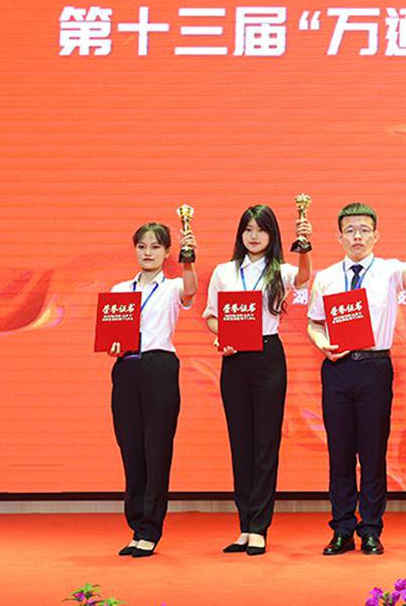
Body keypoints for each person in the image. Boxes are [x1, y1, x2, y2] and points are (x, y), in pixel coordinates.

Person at [306, 201, 406, 557]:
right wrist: (322, 344)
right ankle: (342, 528)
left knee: (373, 453)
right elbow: (315, 323)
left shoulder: (389, 270)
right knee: (340, 453)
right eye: (350, 230)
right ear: (339, 237)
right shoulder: (327, 277)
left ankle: (371, 529)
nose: (357, 236)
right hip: (338, 368)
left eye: (364, 230)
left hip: (374, 367)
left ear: (376, 235)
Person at [203, 204, 311, 556]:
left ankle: (260, 527)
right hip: (234, 359)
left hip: (268, 356)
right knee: (241, 444)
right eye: (248, 229)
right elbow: (211, 316)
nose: (253, 236)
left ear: (272, 234)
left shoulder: (280, 270)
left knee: (265, 443)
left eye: (261, 229)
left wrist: (305, 245)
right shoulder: (224, 272)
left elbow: (304, 277)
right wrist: (223, 336)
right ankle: (244, 525)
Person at [108, 221, 197, 558]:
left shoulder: (173, 286)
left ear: (167, 252)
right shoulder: (120, 290)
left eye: (155, 247)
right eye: (142, 246)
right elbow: (111, 332)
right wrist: (113, 345)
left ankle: (150, 528)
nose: (148, 253)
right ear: (135, 249)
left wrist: (189, 257)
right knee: (130, 448)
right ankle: (136, 525)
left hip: (159, 367)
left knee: (156, 449)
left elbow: (191, 290)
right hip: (126, 368)